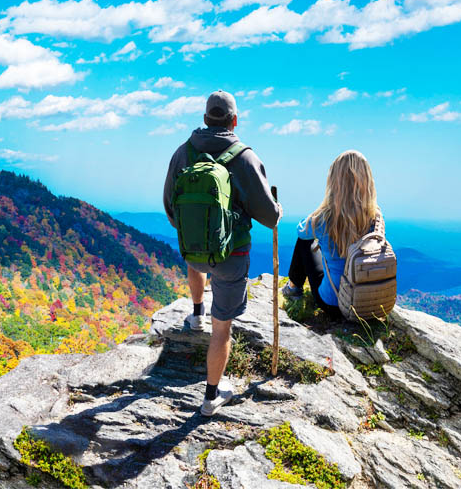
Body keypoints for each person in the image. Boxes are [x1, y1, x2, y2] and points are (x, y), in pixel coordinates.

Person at [163, 90, 281, 416]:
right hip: (231, 256)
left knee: (198, 261)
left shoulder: (182, 154)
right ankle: (211, 397)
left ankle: (196, 312)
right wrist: (277, 209)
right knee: (222, 329)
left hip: (193, 252)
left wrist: (194, 230)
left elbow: (171, 207)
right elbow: (269, 217)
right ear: (234, 120)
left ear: (204, 119)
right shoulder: (244, 158)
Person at [283, 150, 382, 320]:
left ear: (335, 180)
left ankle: (293, 288)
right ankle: (294, 287)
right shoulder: (376, 216)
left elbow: (301, 231)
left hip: (334, 304)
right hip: (367, 304)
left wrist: (323, 207)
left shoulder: (326, 217)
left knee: (305, 243)